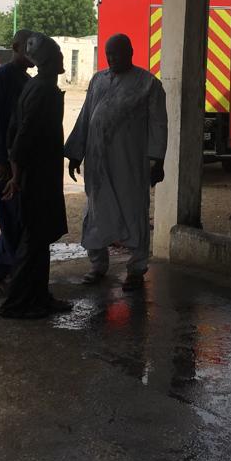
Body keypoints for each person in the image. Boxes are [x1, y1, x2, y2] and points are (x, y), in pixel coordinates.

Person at [64, 33, 167, 291]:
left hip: (129, 165)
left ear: (130, 52)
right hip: (98, 164)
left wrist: (158, 160)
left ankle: (136, 269)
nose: (111, 59)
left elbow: (158, 125)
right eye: (108, 54)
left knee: (134, 212)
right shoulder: (98, 79)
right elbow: (86, 115)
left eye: (117, 54)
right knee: (96, 212)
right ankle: (98, 265)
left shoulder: (148, 84)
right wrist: (76, 153)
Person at [0, 33, 73, 318]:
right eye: (57, 54)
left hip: (40, 173)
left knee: (40, 240)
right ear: (51, 61)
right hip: (37, 176)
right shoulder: (41, 91)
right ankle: (18, 303)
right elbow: (23, 135)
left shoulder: (37, 87)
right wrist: (16, 177)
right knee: (34, 241)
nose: (61, 58)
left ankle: (39, 297)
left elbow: (13, 130)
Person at [0, 30, 33, 293]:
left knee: (19, 218)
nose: (33, 52)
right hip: (3, 163)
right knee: (11, 218)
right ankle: (1, 271)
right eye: (29, 46)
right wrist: (0, 160)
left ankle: (0, 268)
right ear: (16, 47)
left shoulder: (25, 80)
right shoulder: (0, 79)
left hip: (18, 162)